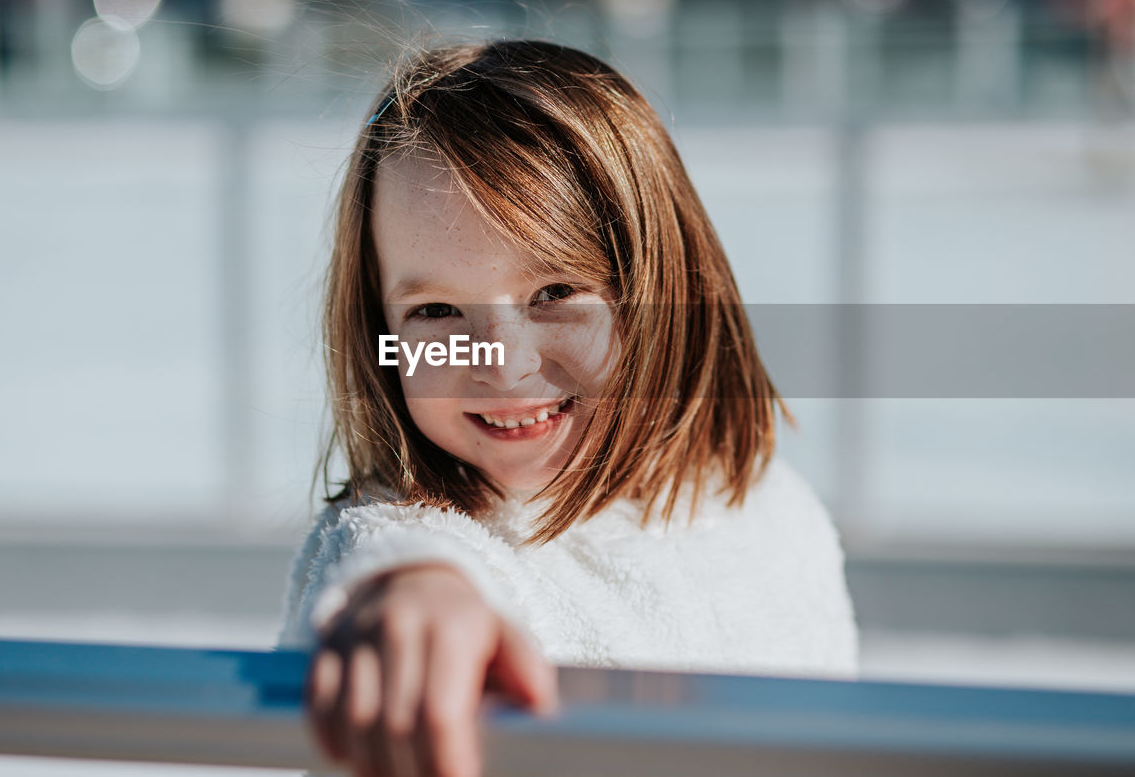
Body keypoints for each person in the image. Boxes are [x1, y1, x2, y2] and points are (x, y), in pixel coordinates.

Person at [278, 39, 857, 777]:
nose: (503, 361)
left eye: (554, 293)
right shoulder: (426, 536)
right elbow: (401, 559)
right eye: (436, 310)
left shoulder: (768, 506)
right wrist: (408, 594)